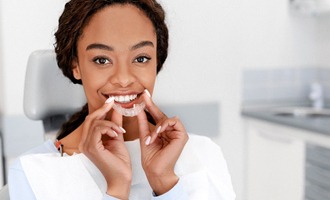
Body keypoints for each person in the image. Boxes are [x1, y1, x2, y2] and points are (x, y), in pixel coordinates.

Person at [8, 0, 236, 199]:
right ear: (75, 65)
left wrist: (165, 182)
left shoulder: (203, 156)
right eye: (102, 60)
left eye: (141, 58)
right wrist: (117, 188)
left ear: (157, 61)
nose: (124, 79)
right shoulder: (34, 174)